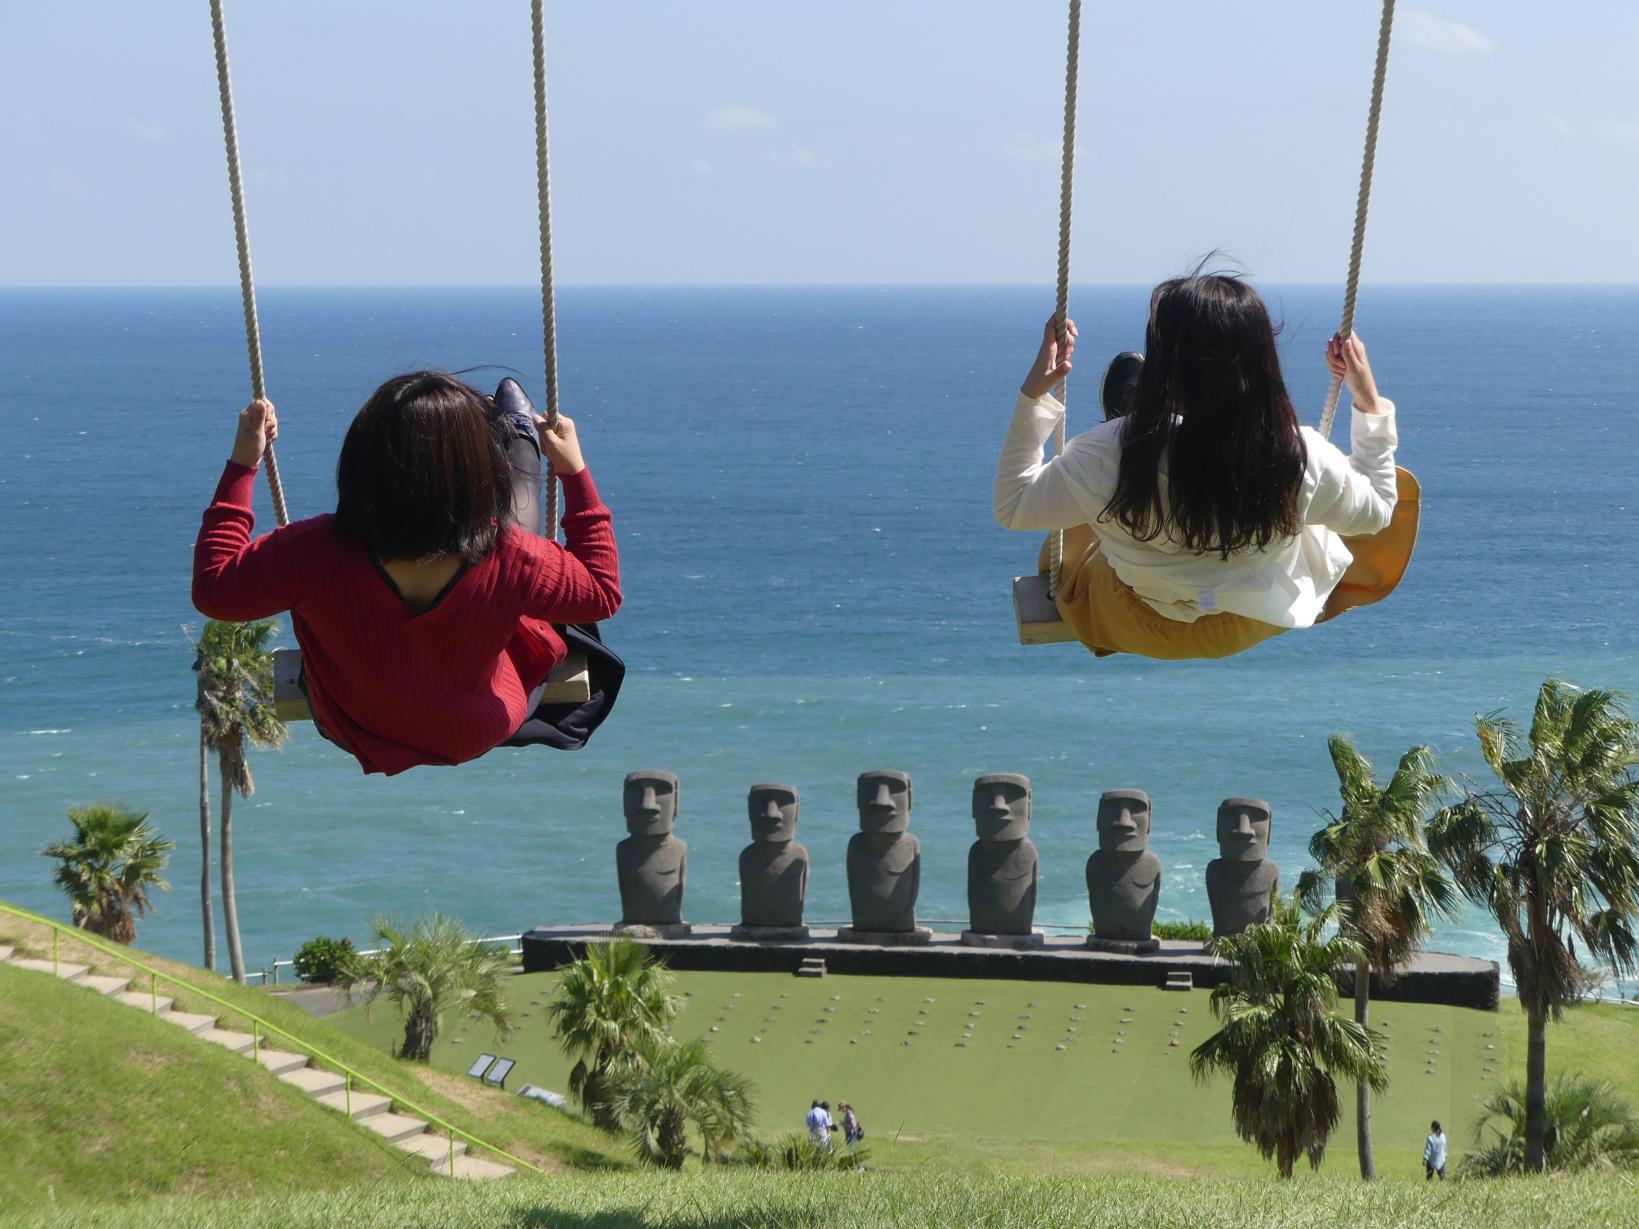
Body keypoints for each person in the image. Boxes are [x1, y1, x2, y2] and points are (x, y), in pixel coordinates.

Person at [193, 373, 621, 775]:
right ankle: (518, 439)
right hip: (479, 725)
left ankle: (518, 437)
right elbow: (602, 593)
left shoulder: (309, 552)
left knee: (506, 550)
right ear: (479, 473)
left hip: (358, 725)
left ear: (359, 464)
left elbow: (214, 591)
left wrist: (243, 464)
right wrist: (574, 471)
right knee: (512, 546)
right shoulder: (515, 556)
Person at [993, 270, 1401, 660]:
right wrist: (1368, 403)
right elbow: (1381, 511)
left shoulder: (1103, 455)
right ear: (1261, 362)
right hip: (1248, 623)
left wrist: (1036, 391)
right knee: (1331, 505)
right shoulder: (1299, 458)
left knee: (1078, 530)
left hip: (1135, 622)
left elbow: (1014, 506)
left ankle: (1144, 431)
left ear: (1162, 369)